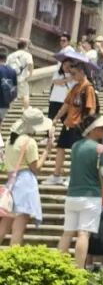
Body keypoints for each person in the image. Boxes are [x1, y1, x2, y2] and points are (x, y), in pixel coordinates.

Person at [58, 116, 103, 270]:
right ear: (93, 130)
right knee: (84, 233)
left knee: (67, 233)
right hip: (90, 196)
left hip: (72, 195)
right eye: (102, 128)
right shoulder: (100, 148)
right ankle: (79, 269)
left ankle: (57, 267)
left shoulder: (75, 146)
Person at [0, 105, 47, 247]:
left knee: (6, 222)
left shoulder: (10, 140)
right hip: (26, 183)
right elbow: (36, 168)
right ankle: (14, 255)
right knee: (19, 225)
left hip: (12, 182)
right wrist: (46, 152)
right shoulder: (29, 142)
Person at [47, 59, 97, 185]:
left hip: (79, 125)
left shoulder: (88, 88)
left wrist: (87, 126)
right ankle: (56, 175)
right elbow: (66, 104)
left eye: (74, 74)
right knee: (60, 147)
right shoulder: (75, 87)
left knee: (76, 151)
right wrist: (56, 118)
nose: (72, 76)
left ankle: (73, 176)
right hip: (68, 123)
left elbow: (91, 109)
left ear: (81, 72)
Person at [7, 39, 33, 111]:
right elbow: (30, 64)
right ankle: (26, 110)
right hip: (22, 79)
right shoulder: (27, 55)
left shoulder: (11, 55)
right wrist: (30, 75)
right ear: (25, 46)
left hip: (11, 79)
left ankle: (6, 111)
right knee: (25, 95)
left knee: (10, 96)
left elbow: (6, 66)